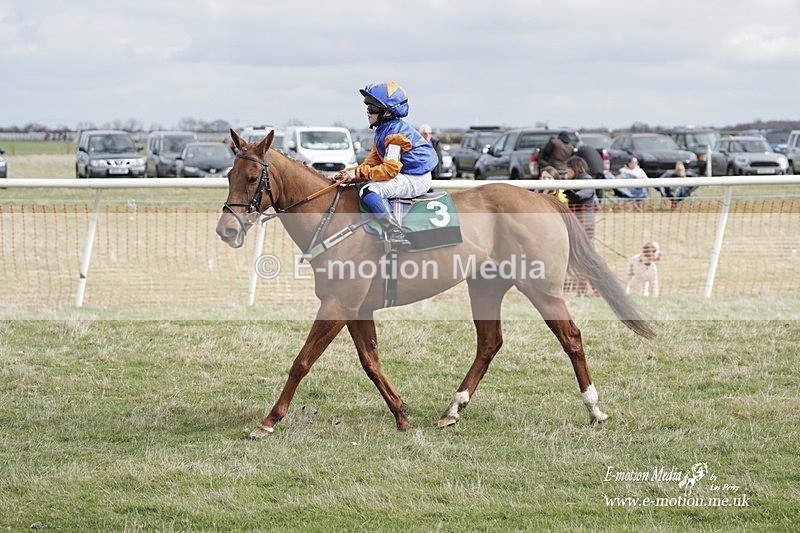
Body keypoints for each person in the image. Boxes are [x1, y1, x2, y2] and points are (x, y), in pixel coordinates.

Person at [338, 82, 439, 247]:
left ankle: (395, 233)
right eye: (367, 108)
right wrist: (345, 174)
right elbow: (370, 164)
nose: (368, 113)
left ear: (388, 112)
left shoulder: (395, 136)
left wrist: (357, 175)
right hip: (407, 173)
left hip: (416, 178)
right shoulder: (383, 130)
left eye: (372, 109)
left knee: (369, 190)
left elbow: (390, 170)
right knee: (362, 184)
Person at [564, 156, 597, 296]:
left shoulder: (587, 181)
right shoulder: (573, 181)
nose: (566, 173)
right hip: (575, 224)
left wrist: (565, 190)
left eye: (568, 170)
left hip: (584, 224)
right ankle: (580, 288)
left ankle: (596, 288)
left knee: (586, 258)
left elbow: (579, 196)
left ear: (574, 169)